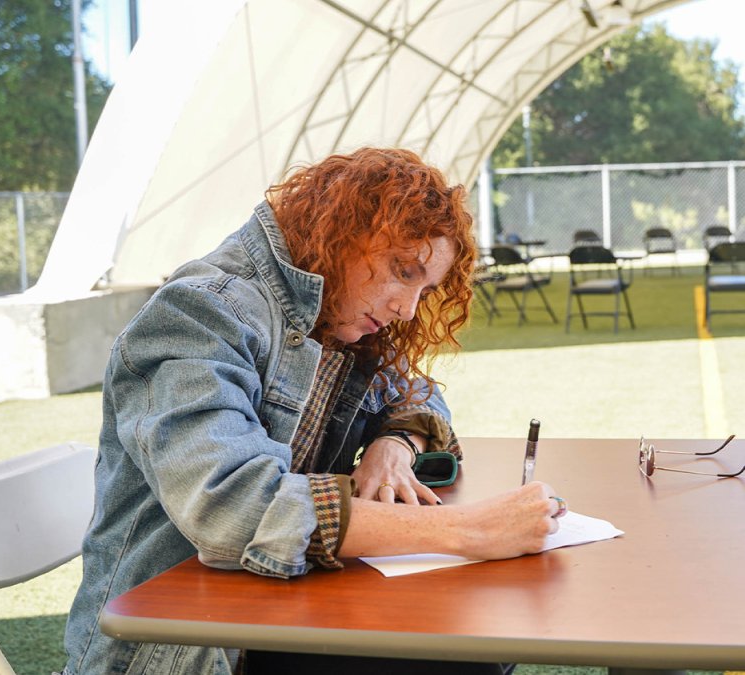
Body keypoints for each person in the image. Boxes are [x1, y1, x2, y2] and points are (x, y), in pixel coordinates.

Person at [63, 147, 565, 675]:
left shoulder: (333, 316)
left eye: (426, 288)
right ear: (341, 233)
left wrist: (393, 446)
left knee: (480, 642)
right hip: (188, 647)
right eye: (401, 271)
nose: (408, 309)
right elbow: (232, 509)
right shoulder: (201, 313)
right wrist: (469, 532)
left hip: (269, 603)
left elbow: (418, 394)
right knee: (469, 656)